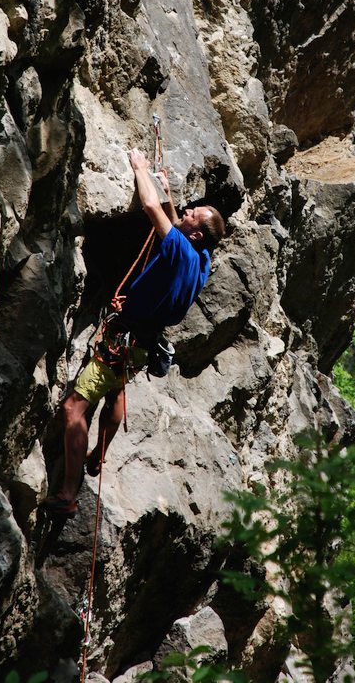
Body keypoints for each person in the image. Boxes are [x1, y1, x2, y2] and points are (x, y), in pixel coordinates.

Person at [43, 147, 225, 517]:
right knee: (115, 394)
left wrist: (141, 169)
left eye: (194, 215)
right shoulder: (202, 261)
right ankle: (98, 455)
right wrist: (171, 193)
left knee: (74, 408)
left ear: (195, 235)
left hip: (122, 340)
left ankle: (67, 495)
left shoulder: (180, 250)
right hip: (143, 342)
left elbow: (151, 210)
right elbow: (175, 223)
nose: (187, 212)